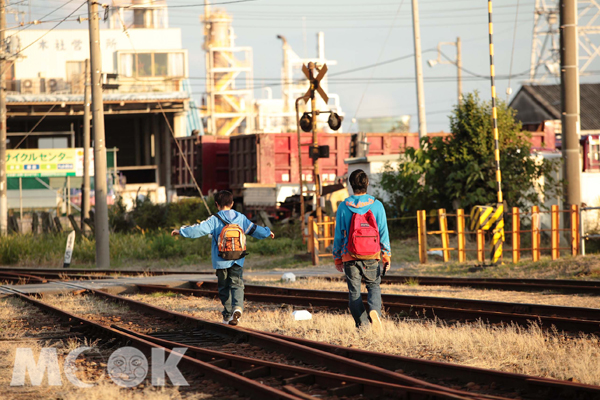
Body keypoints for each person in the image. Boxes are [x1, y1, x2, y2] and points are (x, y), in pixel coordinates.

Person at [171, 190, 274, 326]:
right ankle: (237, 308)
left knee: (224, 287)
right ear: (232, 203)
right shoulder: (241, 217)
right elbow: (254, 229)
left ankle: (227, 314)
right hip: (238, 257)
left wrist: (181, 231)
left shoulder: (214, 219)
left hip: (221, 260)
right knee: (237, 284)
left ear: (216, 204)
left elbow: (198, 230)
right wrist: (267, 232)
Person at [333, 169, 391, 330]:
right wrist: (386, 256)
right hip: (372, 255)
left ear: (351, 185)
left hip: (349, 256)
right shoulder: (377, 205)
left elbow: (339, 235)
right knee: (373, 286)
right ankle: (375, 312)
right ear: (367, 184)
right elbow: (383, 232)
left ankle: (363, 326)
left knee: (354, 293)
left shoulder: (344, 207)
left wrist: (337, 257)